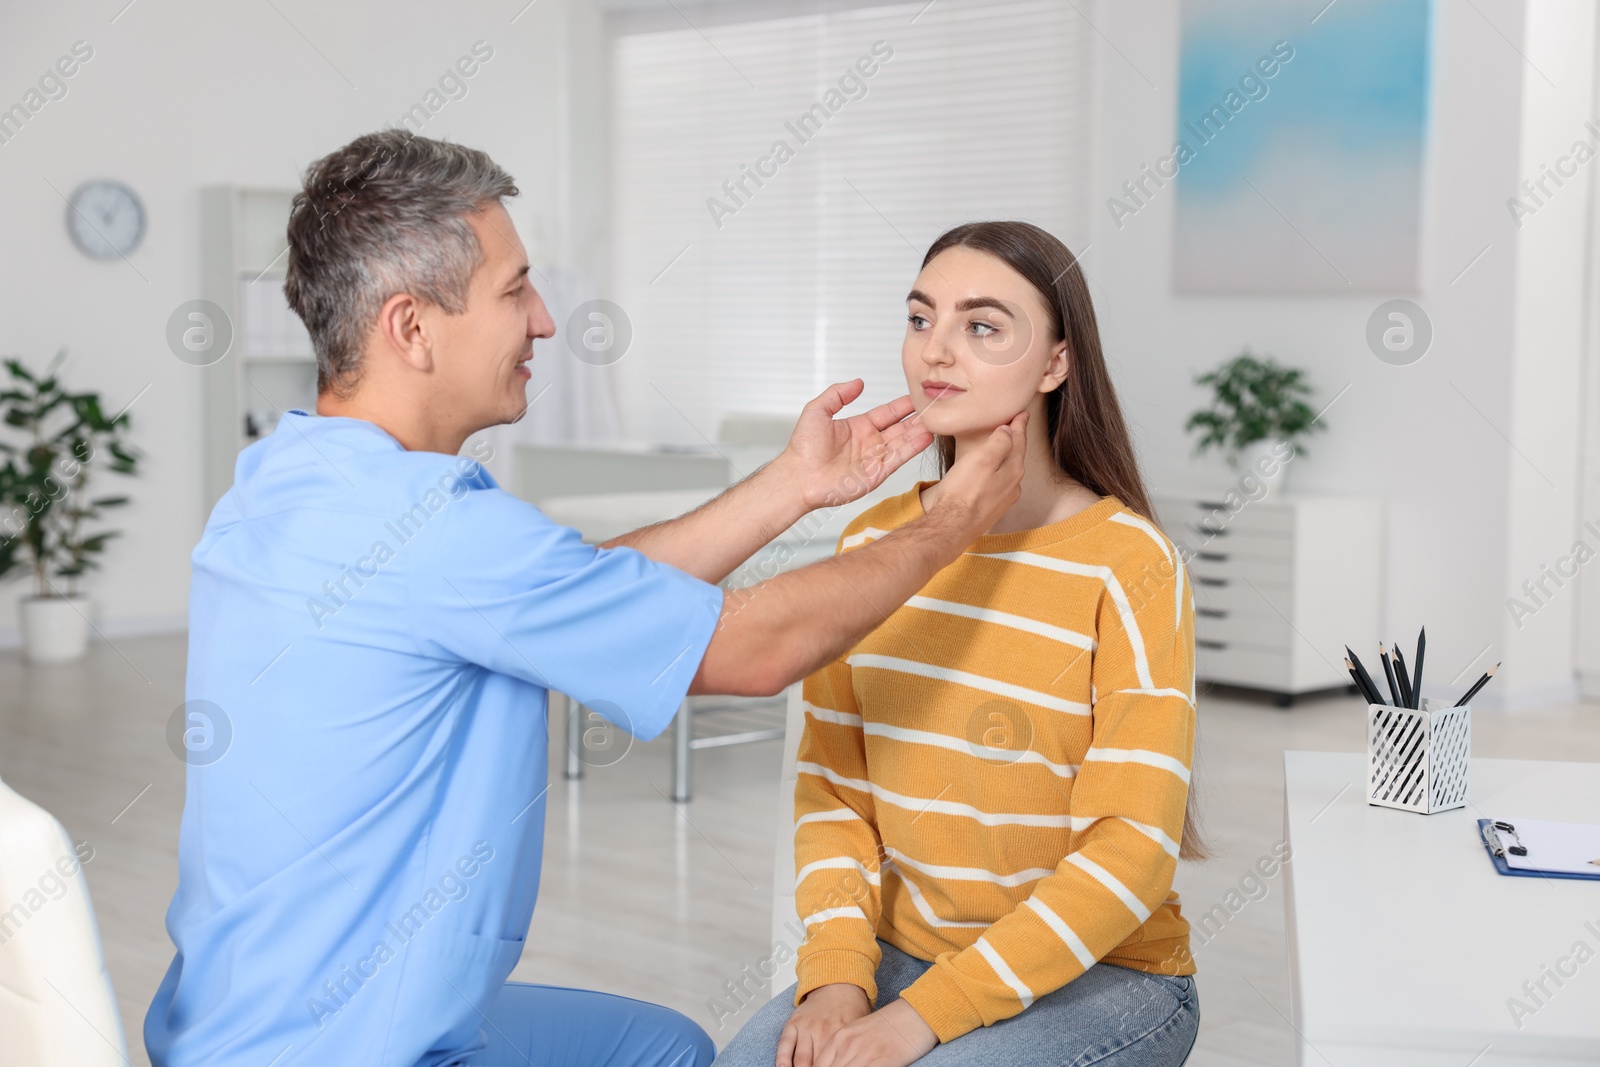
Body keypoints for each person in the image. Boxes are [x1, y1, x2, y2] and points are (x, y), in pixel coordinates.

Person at [142, 133, 1030, 1067]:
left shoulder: (289, 478)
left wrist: (794, 485)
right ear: (412, 328)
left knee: (664, 1046)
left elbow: (569, 590)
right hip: (351, 1046)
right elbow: (753, 650)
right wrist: (950, 522)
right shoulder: (435, 529)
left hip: (237, 1024)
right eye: (515, 289)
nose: (545, 322)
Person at [715, 221, 1202, 1067]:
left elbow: (1133, 852)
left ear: (1055, 363)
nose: (936, 351)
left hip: (1105, 973)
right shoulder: (873, 547)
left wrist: (921, 1018)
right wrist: (835, 977)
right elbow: (835, 788)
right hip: (903, 954)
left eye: (981, 326)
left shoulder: (1131, 564)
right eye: (919, 318)